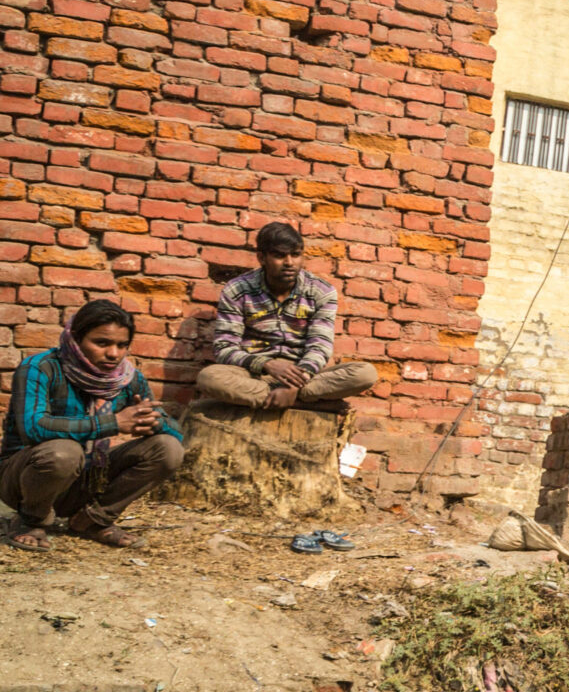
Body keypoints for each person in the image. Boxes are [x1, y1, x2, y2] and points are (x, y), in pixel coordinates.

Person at [3, 299, 185, 551]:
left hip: (88, 479)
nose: (114, 353)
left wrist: (152, 423)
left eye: (122, 345)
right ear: (75, 339)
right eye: (102, 343)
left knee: (168, 448)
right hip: (24, 480)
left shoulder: (127, 378)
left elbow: (176, 432)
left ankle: (92, 520)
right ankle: (31, 520)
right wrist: (113, 423)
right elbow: (33, 427)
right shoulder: (40, 368)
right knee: (64, 451)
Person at [194, 223, 380, 412]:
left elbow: (319, 347)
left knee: (365, 374)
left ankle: (282, 397)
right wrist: (268, 364)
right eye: (279, 255)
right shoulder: (237, 290)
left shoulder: (321, 291)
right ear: (261, 258)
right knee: (209, 378)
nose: (289, 262)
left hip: (304, 374)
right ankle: (302, 404)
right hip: (253, 374)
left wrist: (294, 384)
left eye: (296, 255)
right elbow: (224, 348)